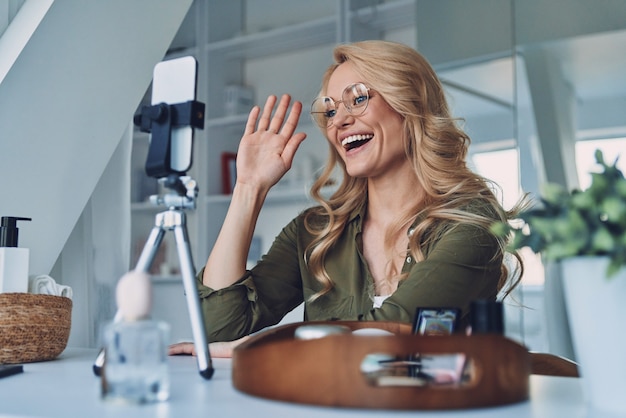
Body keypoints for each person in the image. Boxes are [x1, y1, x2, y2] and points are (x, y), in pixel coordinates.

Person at [169, 40, 524, 357]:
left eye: (358, 98)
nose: (339, 121)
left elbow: (393, 331)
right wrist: (249, 187)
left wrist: (269, 342)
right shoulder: (315, 231)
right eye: (331, 110)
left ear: (409, 103)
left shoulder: (471, 222)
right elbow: (217, 330)